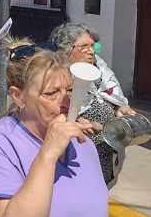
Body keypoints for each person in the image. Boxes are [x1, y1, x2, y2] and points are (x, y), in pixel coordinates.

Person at [0, 41, 109, 217]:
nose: (65, 101)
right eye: (50, 94)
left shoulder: (82, 144)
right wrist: (48, 153)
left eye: (69, 90)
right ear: (19, 96)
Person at [49, 22, 136, 187]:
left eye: (93, 46)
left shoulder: (100, 68)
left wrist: (120, 107)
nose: (90, 51)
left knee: (100, 189)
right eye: (83, 47)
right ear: (65, 49)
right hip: (76, 150)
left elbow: (113, 95)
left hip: (105, 150)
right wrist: (76, 121)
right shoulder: (57, 76)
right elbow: (51, 111)